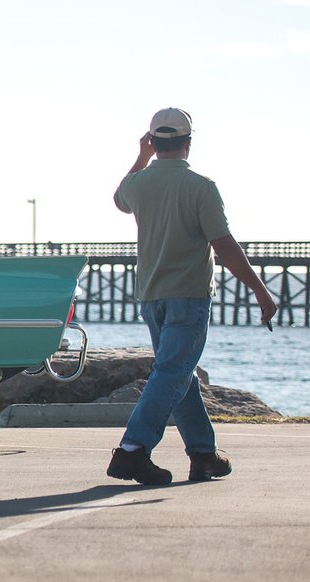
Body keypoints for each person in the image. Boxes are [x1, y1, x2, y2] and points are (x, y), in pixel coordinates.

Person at [108, 107, 277, 485]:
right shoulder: (201, 186)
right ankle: (132, 450)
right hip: (188, 296)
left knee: (180, 375)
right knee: (172, 373)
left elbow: (119, 198)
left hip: (151, 297)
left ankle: (203, 454)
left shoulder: (138, 184)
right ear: (189, 142)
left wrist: (140, 156)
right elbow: (224, 244)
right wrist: (260, 290)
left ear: (154, 141)